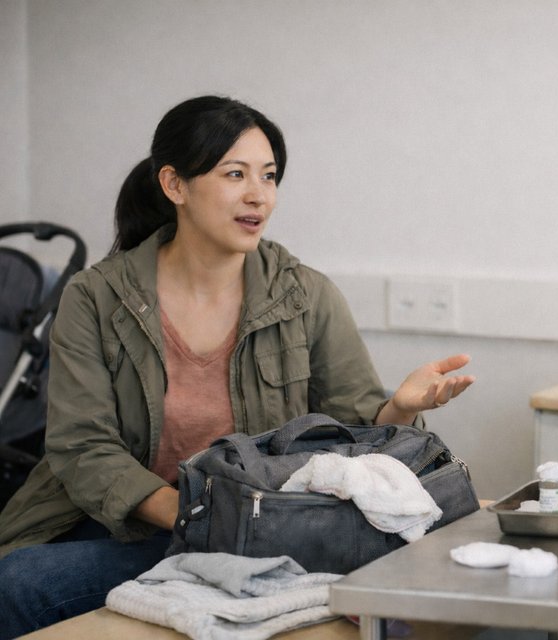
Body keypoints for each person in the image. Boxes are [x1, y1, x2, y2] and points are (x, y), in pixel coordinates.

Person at [0, 95, 475, 637]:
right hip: (140, 529)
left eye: (269, 177)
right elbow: (83, 449)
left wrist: (398, 408)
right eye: (235, 174)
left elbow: (357, 438)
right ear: (175, 185)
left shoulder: (305, 294)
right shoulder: (97, 297)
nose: (259, 196)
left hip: (268, 534)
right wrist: (199, 514)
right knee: (18, 584)